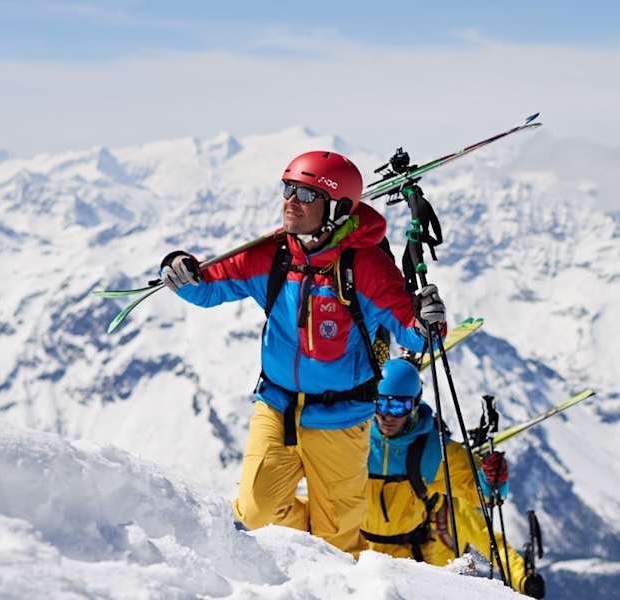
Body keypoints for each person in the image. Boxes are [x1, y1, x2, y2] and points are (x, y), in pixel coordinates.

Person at [159, 150, 448, 555]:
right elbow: (208, 287)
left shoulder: (365, 267)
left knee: (337, 540)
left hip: (342, 417)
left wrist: (427, 322)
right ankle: (304, 542)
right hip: (277, 406)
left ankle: (323, 560)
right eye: (288, 189)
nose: (291, 201)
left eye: (307, 194)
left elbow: (412, 332)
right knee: (255, 513)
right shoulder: (272, 255)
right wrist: (179, 268)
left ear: (337, 209)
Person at [362, 359, 546, 598]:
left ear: (414, 406)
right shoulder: (356, 436)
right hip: (358, 552)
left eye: (398, 407)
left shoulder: (431, 452)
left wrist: (492, 482)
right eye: (381, 405)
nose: (387, 416)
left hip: (410, 564)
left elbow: (480, 497)